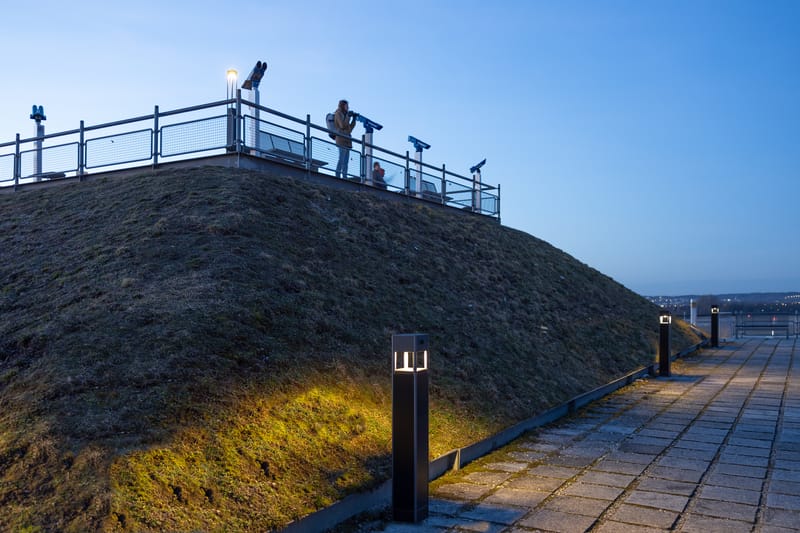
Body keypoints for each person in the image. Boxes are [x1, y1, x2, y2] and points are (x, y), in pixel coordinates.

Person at [334, 99, 357, 179]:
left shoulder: (346, 115)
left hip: (347, 140)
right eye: (347, 106)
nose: (348, 107)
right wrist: (348, 116)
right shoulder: (338, 114)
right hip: (341, 139)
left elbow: (349, 129)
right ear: (343, 106)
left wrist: (354, 119)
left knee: (346, 161)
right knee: (341, 159)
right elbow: (342, 126)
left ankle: (344, 176)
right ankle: (337, 175)